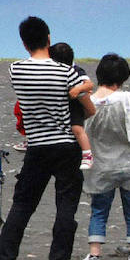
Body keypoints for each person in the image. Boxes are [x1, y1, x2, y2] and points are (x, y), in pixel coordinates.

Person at [0, 16, 95, 260]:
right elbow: (86, 102)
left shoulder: (16, 69)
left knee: (23, 203)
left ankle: (4, 256)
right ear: (48, 38)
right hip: (67, 144)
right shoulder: (66, 71)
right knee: (66, 205)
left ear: (24, 44)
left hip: (37, 144)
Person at [78, 54, 130, 260]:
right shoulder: (126, 97)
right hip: (129, 163)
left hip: (101, 164)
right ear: (123, 77)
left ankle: (94, 255)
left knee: (99, 209)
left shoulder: (89, 101)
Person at [49, 42, 94, 170]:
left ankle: (87, 155)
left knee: (77, 128)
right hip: (63, 105)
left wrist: (78, 89)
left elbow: (89, 84)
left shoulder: (76, 70)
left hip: (75, 105)